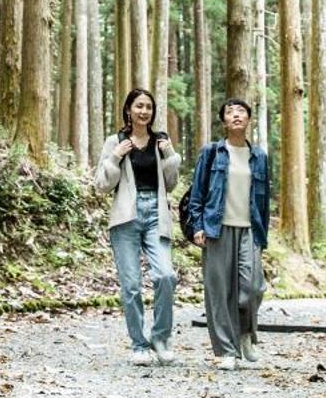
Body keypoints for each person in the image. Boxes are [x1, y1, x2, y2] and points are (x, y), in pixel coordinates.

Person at [93, 87, 180, 365]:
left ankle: (160, 336)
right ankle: (138, 345)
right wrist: (115, 156)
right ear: (129, 109)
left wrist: (169, 157)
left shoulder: (160, 142)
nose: (144, 111)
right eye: (139, 106)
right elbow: (102, 186)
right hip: (125, 217)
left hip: (156, 213)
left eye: (149, 107)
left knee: (166, 276)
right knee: (131, 285)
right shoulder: (115, 141)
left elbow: (171, 183)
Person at [183, 97, 271, 370]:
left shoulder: (259, 157)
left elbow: (264, 199)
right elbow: (197, 192)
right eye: (230, 111)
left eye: (241, 111)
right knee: (219, 292)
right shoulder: (211, 152)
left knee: (252, 287)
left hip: (249, 229)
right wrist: (197, 225)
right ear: (223, 121)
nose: (236, 115)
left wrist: (262, 234)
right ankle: (226, 351)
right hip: (216, 228)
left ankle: (245, 334)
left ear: (248, 120)